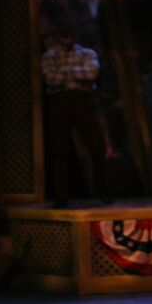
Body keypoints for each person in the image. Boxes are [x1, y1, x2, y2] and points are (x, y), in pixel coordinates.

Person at [40, 27, 109, 207]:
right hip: (59, 101)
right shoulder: (50, 55)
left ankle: (102, 191)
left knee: (96, 146)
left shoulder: (87, 53)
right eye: (64, 35)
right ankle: (62, 196)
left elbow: (91, 73)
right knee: (60, 150)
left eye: (70, 34)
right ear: (58, 36)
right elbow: (51, 79)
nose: (67, 38)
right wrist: (77, 74)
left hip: (83, 100)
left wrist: (65, 72)